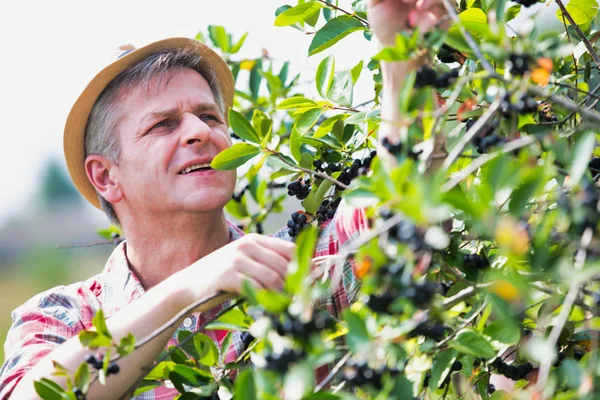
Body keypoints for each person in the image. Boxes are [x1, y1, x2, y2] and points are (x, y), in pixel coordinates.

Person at [0, 0, 447, 398]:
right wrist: (192, 289)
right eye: (163, 124)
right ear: (105, 176)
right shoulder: (63, 316)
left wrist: (401, 54)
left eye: (209, 116)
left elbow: (399, 211)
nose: (200, 132)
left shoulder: (294, 273)